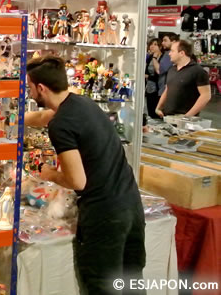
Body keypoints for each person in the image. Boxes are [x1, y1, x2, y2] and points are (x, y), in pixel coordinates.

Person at [25, 56, 145, 294]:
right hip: (131, 204)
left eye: (29, 87)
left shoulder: (61, 125)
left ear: (41, 88)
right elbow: (40, 117)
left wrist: (50, 174)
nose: (28, 92)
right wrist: (10, 119)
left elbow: (77, 181)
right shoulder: (82, 103)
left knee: (102, 287)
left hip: (105, 216)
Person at [156, 40, 211, 117]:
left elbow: (206, 96)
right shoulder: (172, 70)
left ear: (182, 53)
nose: (169, 53)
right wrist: (158, 108)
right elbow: (167, 89)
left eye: (172, 51)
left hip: (186, 120)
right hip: (168, 117)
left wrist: (187, 116)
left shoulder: (198, 71)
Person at [145, 38, 162, 119]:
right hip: (149, 87)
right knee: (150, 112)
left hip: (158, 89)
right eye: (151, 44)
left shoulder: (163, 57)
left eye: (155, 44)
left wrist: (148, 77)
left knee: (157, 112)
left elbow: (160, 73)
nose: (152, 46)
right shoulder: (150, 57)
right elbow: (146, 71)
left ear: (160, 46)